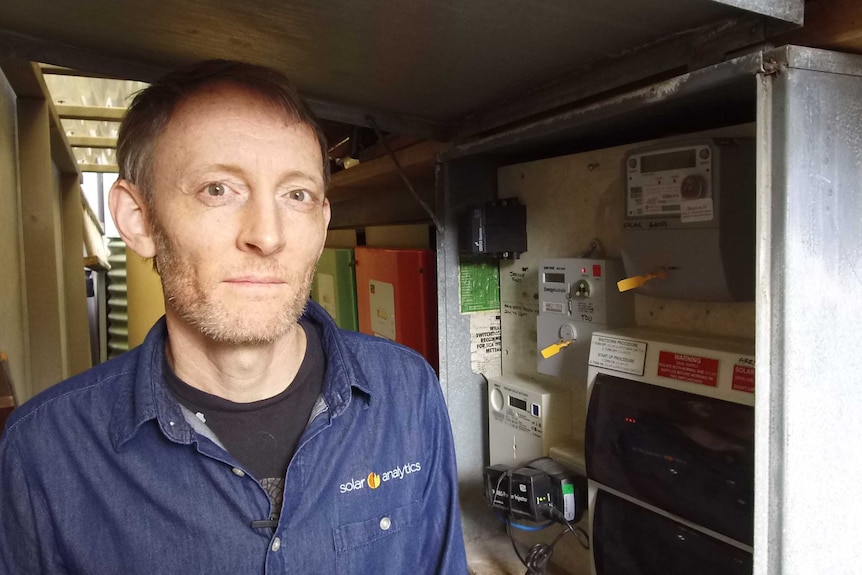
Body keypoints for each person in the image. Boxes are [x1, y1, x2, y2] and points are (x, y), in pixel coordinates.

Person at [0, 60, 467, 574]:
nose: (267, 236)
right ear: (139, 220)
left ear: (323, 221)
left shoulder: (407, 391)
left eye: (297, 195)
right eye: (218, 189)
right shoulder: (42, 454)